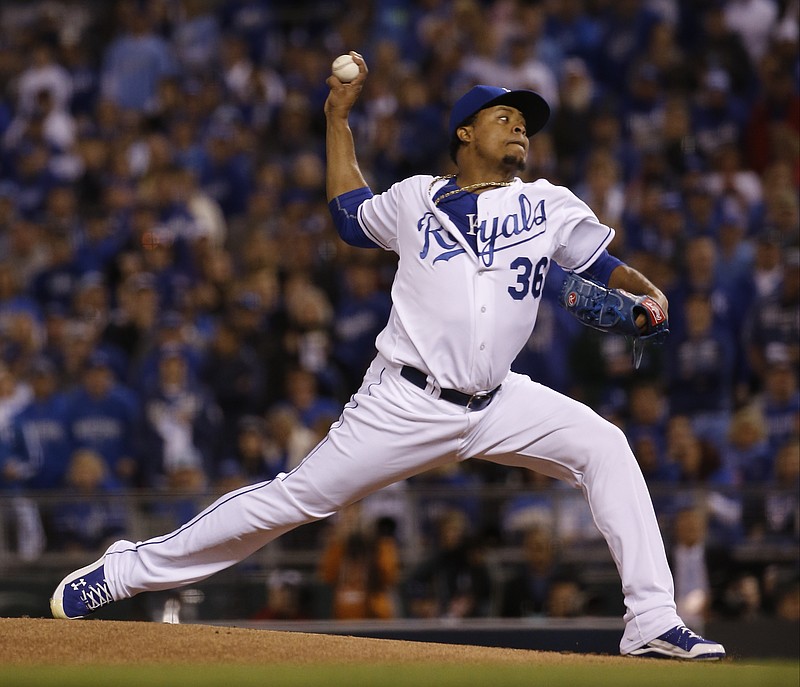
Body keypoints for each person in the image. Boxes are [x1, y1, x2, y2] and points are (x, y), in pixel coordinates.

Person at [50, 53, 725, 660]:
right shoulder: (416, 199)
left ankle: (652, 618)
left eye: (526, 121)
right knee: (293, 500)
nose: (520, 127)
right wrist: (337, 122)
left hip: (500, 400)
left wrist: (648, 293)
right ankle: (127, 568)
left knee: (605, 445)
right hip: (405, 400)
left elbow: (601, 265)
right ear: (465, 132)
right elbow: (349, 215)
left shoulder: (546, 204)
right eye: (504, 116)